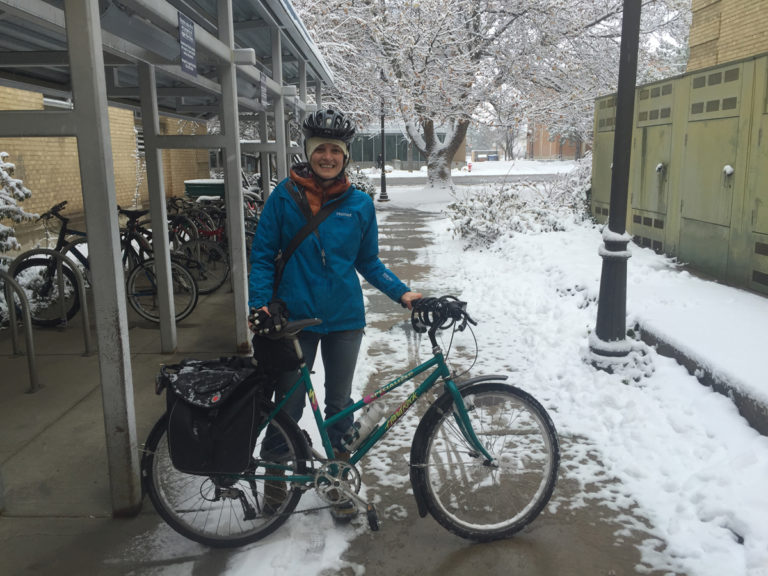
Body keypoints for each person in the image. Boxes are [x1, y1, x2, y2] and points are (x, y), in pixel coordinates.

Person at [248, 108, 421, 514]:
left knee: (339, 406)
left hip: (345, 320)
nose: (327, 156)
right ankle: (276, 485)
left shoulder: (359, 204)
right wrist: (260, 304)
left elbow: (369, 262)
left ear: (345, 156)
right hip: (294, 322)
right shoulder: (283, 197)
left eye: (335, 150)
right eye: (320, 149)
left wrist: (403, 293)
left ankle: (339, 483)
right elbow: (261, 257)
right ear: (308, 152)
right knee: (286, 407)